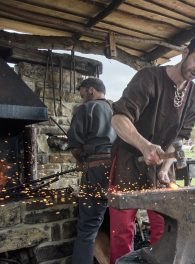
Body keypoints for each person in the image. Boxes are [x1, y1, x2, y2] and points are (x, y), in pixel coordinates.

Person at [109, 36, 195, 263]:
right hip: (129, 161)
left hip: (162, 165)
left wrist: (165, 167)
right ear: (185, 51)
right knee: (122, 229)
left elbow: (179, 138)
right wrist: (144, 145)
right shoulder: (149, 77)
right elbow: (119, 119)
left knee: (166, 225)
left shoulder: (194, 95)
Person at [67, 78, 116, 264]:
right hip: (117, 172)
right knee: (120, 225)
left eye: (82, 95)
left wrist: (81, 162)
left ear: (92, 91)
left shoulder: (86, 109)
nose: (82, 99)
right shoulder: (117, 111)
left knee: (87, 228)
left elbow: (75, 146)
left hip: (95, 172)